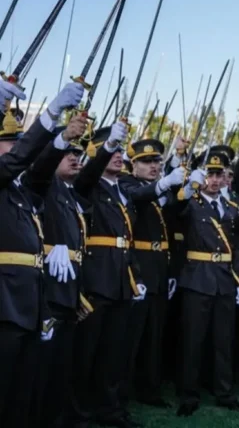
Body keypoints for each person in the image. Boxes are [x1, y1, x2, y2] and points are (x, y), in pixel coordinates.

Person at [0, 80, 84, 427]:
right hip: (4, 304)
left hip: (27, 305)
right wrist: (49, 114)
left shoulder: (18, 191)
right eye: (9, 145)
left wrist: (61, 139)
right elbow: (20, 162)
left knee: (21, 395)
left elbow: (37, 172)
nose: (17, 151)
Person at [71, 120, 147, 428]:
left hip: (121, 279)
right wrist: (107, 148)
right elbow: (88, 173)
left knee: (114, 352)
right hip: (96, 279)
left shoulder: (122, 191)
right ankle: (79, 413)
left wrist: (136, 275)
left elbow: (129, 238)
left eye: (119, 151)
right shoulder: (88, 184)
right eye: (110, 151)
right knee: (86, 352)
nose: (118, 156)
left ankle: (109, 408)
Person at [175, 147, 239, 417]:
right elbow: (176, 208)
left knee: (223, 340)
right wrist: (186, 184)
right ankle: (189, 394)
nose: (215, 180)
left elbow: (236, 246)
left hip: (224, 279)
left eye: (219, 174)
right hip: (198, 277)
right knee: (193, 341)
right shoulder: (191, 202)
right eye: (210, 174)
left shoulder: (231, 207)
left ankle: (224, 392)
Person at [26, 118, 91, 428]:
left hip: (69, 286)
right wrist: (53, 247)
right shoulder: (44, 184)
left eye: (78, 153)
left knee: (62, 361)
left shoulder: (68, 191)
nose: (74, 158)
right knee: (44, 363)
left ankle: (58, 417)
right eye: (68, 153)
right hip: (48, 288)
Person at [118, 139, 184, 409]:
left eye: (157, 161)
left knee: (154, 335)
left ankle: (149, 388)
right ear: (133, 165)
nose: (154, 166)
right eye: (146, 162)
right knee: (131, 337)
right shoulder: (127, 184)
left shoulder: (158, 190)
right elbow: (140, 197)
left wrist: (184, 187)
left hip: (158, 267)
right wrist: (166, 183)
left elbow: (174, 216)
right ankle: (121, 391)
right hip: (138, 268)